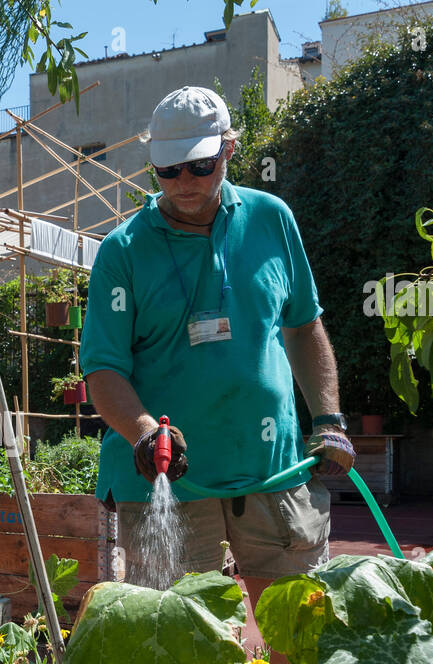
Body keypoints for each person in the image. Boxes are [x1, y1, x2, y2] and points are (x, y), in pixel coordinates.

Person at [79, 86, 355, 632]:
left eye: (200, 166)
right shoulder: (123, 251)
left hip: (269, 468)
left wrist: (327, 418)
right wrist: (141, 432)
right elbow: (103, 368)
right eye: (168, 170)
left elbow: (303, 326)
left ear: (229, 149)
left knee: (299, 635)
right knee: (173, 645)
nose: (184, 183)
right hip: (167, 478)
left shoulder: (271, 219)